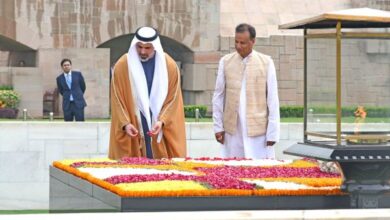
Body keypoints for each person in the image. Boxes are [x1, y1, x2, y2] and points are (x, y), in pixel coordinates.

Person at [109, 26, 186, 160]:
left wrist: (162, 121)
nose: (142, 51)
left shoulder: (169, 66)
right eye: (139, 47)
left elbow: (173, 99)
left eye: (147, 48)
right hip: (134, 123)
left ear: (155, 46)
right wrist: (125, 123)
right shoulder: (123, 65)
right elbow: (117, 98)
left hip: (159, 124)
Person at [212, 23, 280, 159]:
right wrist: (218, 126)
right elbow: (218, 96)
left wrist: (272, 133)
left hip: (258, 132)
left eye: (243, 43)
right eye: (236, 42)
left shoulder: (266, 62)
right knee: (233, 170)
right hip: (232, 131)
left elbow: (272, 99)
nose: (238, 46)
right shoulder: (225, 61)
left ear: (253, 42)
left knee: (259, 171)